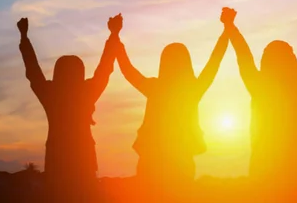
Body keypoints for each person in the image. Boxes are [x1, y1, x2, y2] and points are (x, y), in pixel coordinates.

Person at [114, 10, 229, 199]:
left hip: (152, 162)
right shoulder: (193, 89)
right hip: (180, 163)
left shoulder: (155, 88)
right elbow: (214, 61)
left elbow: (127, 70)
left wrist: (115, 37)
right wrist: (227, 30)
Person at [223, 0, 297, 193]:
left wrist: (231, 26)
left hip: (265, 171)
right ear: (290, 61)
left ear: (266, 62)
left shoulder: (259, 86)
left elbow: (244, 55)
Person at [17, 14, 121, 200]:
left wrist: (24, 38)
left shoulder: (51, 94)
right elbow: (104, 69)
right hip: (84, 162)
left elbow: (33, 71)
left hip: (57, 162)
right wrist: (113, 35)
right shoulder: (87, 93)